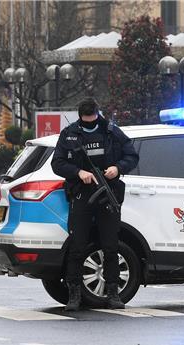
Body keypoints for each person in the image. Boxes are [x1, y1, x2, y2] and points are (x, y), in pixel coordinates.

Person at [51, 98, 138, 311]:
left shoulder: (111, 131)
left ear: (98, 115)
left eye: (93, 120)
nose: (90, 124)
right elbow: (57, 163)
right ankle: (73, 293)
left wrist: (117, 168)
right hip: (82, 193)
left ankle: (113, 292)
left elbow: (132, 155)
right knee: (77, 244)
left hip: (107, 193)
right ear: (80, 117)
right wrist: (78, 173)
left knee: (110, 245)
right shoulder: (70, 134)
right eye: (85, 121)